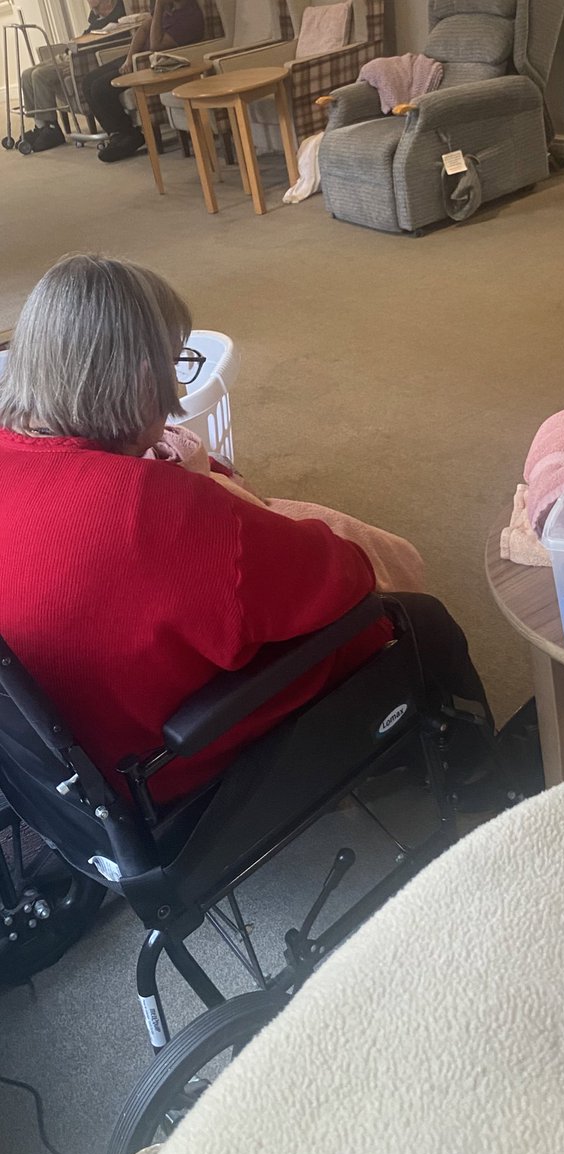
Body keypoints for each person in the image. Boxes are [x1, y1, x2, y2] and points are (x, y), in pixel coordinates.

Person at [0, 254, 495, 809]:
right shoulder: (151, 504)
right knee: (418, 619)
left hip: (56, 770)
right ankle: (476, 774)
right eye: (174, 364)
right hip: (154, 767)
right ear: (143, 378)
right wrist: (203, 490)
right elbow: (341, 576)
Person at [82, 0, 205, 163]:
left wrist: (160, 7)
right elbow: (143, 29)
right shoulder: (169, 10)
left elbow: (156, 45)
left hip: (152, 62)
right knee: (87, 81)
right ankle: (117, 134)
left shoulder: (190, 17)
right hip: (136, 58)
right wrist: (128, 59)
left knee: (100, 87)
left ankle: (128, 135)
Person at [19, 0, 125, 152]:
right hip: (70, 53)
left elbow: (107, 35)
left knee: (39, 75)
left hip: (80, 58)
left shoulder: (119, 10)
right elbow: (89, 31)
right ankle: (40, 126)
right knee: (27, 73)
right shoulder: (95, 13)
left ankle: (52, 128)